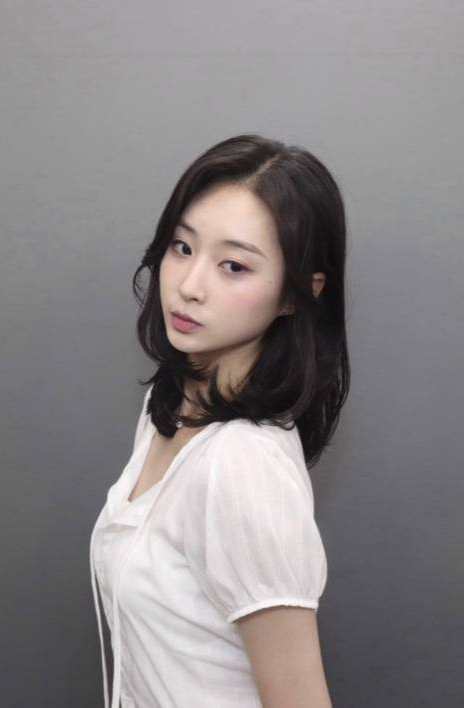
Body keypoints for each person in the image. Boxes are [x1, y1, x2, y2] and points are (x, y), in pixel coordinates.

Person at [89, 133, 350, 708]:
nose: (189, 286)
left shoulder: (242, 465)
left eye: (233, 266)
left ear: (297, 295)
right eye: (182, 247)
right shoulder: (171, 406)